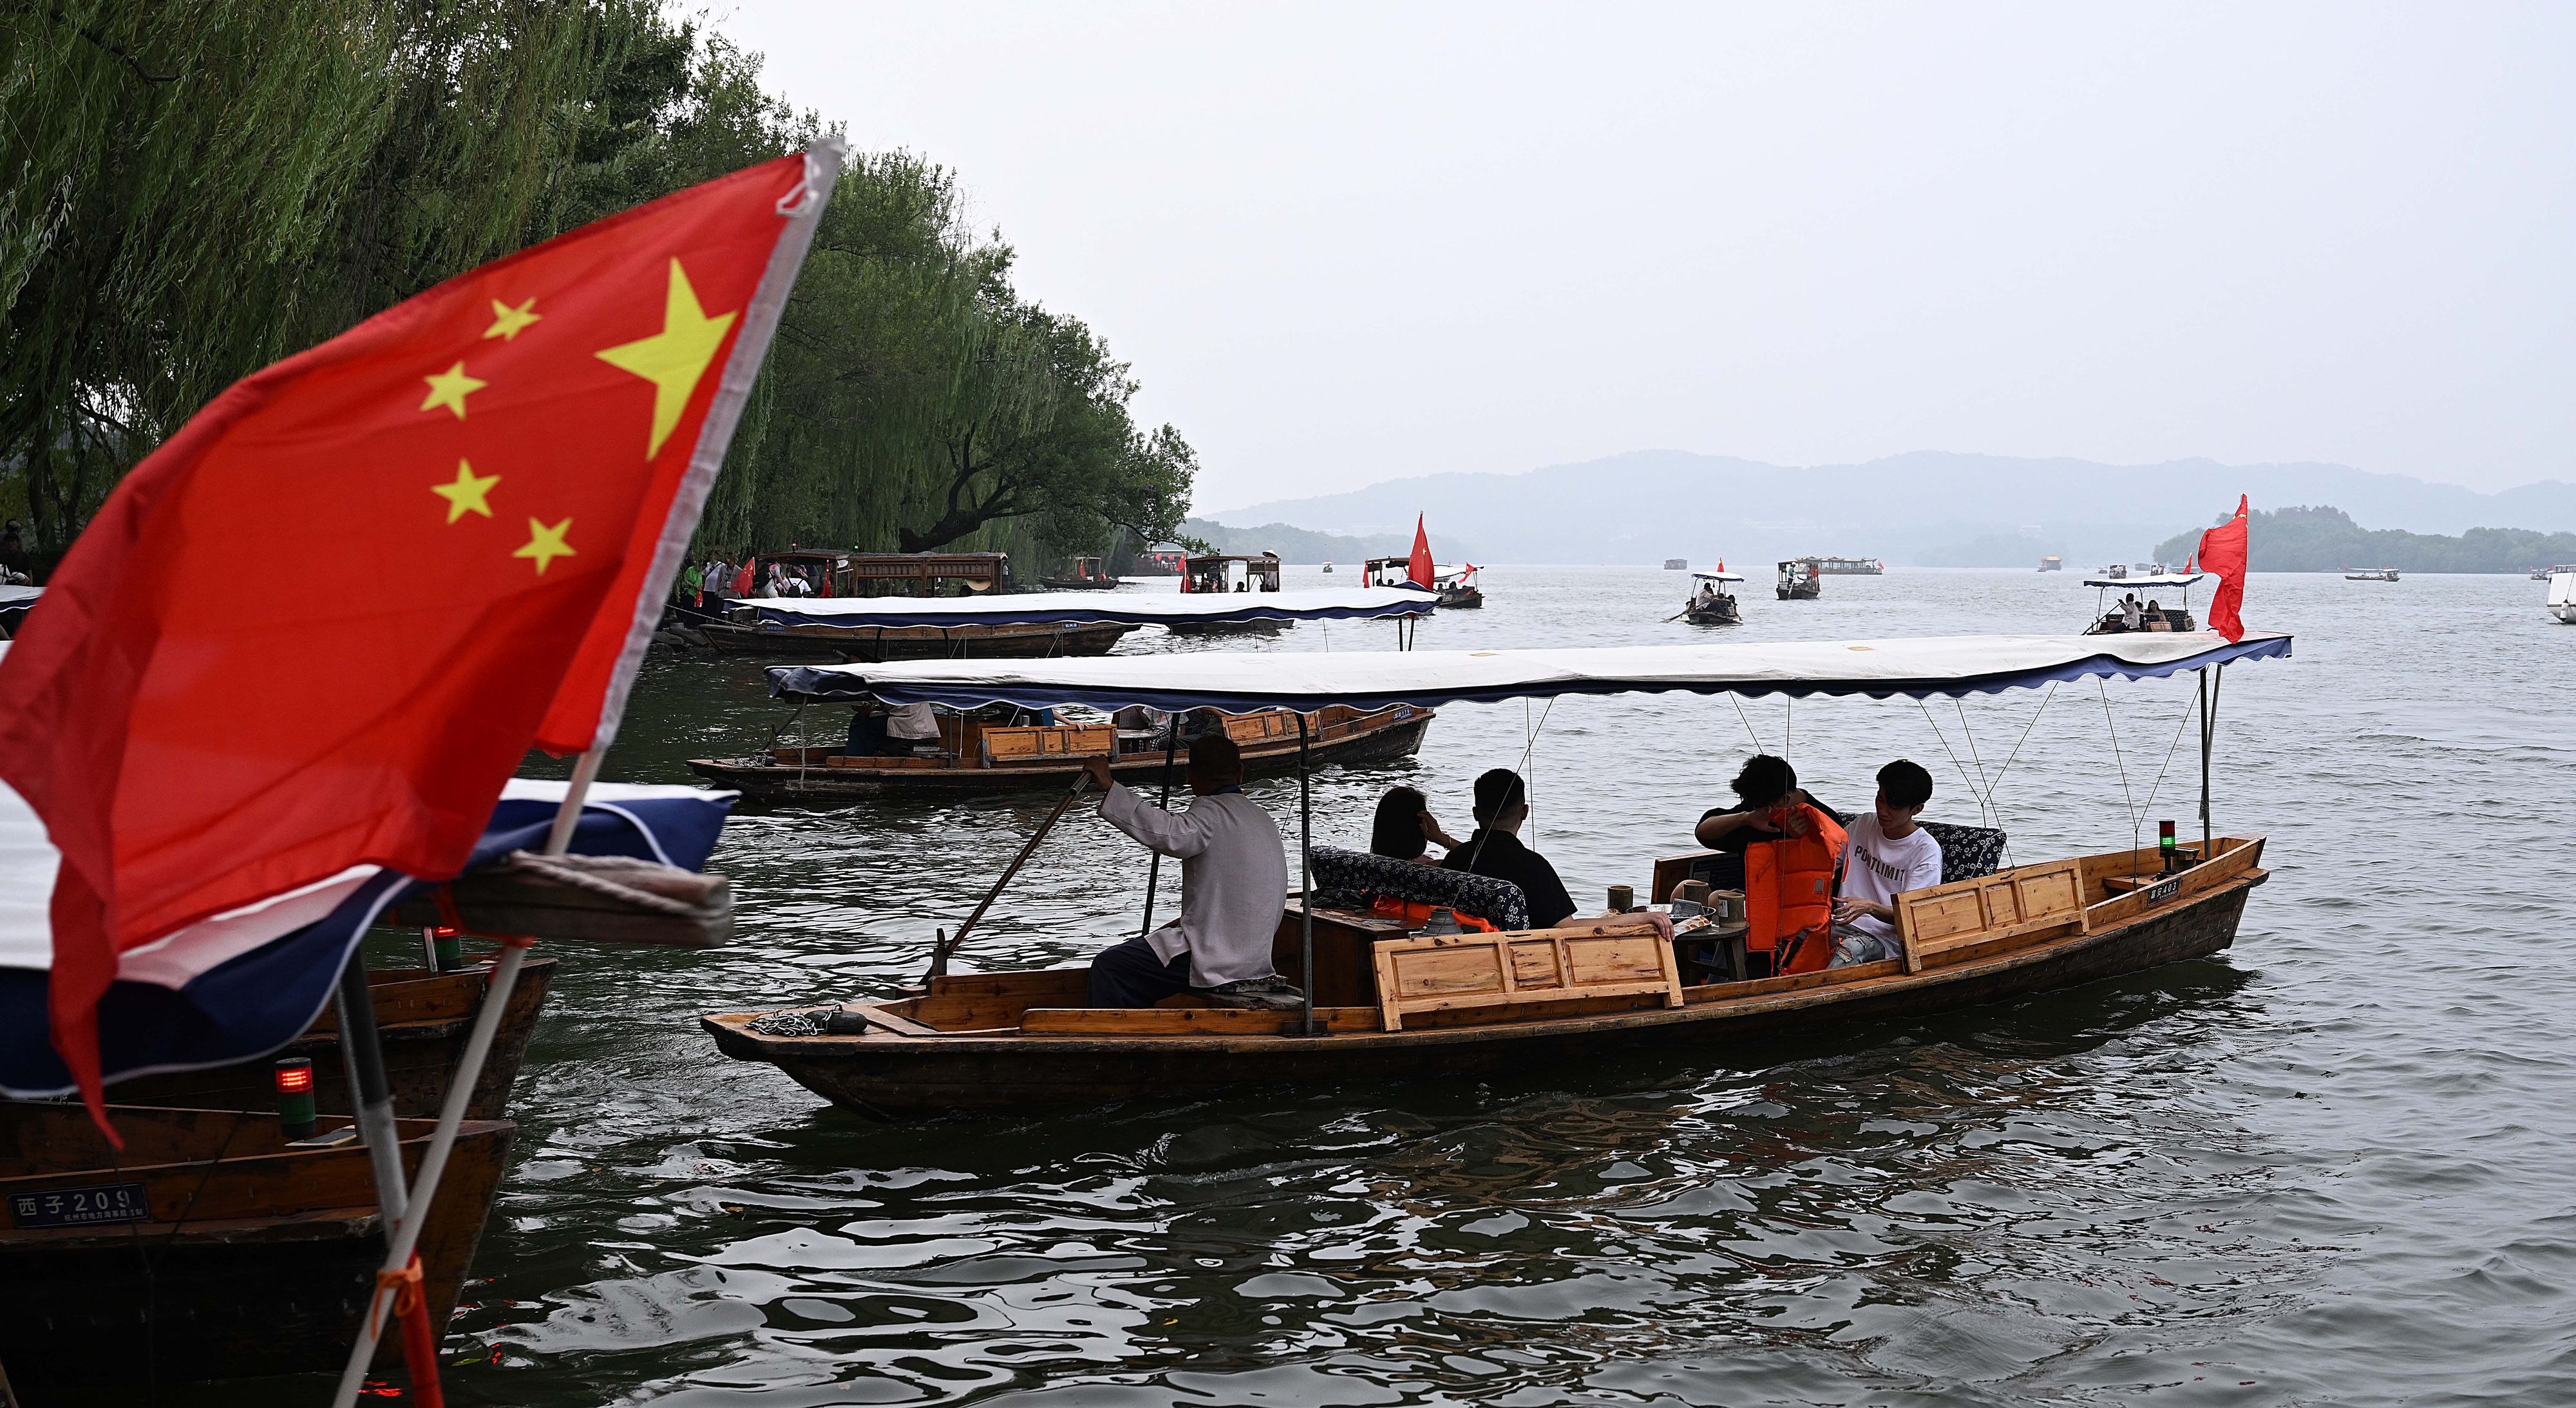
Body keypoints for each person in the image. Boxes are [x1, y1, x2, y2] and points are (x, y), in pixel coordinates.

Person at [1080, 737, 1290, 1008]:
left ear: (1189, 775)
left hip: (1217, 957)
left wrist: (1109, 786)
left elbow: (1168, 834)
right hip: (1252, 956)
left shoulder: (1210, 813)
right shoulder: (1262, 817)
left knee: (1110, 966)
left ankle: (1116, 1045)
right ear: (1239, 773)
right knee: (1143, 954)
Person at [1694, 754, 1846, 975]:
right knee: (1693, 892)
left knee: (1726, 909)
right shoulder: (1756, 814)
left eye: (1759, 806)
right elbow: (1704, 832)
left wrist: (1801, 839)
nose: (1755, 809)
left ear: (1785, 799)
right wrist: (1745, 818)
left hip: (1801, 912)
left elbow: (1832, 867)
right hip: (1756, 898)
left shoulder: (1824, 821)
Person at [1826, 760, 1944, 968]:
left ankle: (1819, 998)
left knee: (1850, 950)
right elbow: (1827, 864)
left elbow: (1910, 916)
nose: (1883, 810)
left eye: (1894, 806)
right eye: (1880, 799)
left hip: (1884, 940)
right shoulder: (1863, 824)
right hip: (1838, 924)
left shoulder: (1925, 852)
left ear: (1917, 809)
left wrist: (1870, 907)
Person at [1441, 769, 1578, 928]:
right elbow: (1564, 928)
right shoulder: (1533, 867)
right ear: (1525, 812)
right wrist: (1612, 921)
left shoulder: (1455, 859)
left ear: (1475, 814)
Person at [1370, 785, 1463, 865]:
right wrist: (1443, 839)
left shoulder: (1364, 864)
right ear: (1422, 827)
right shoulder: (1433, 871)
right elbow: (1475, 861)